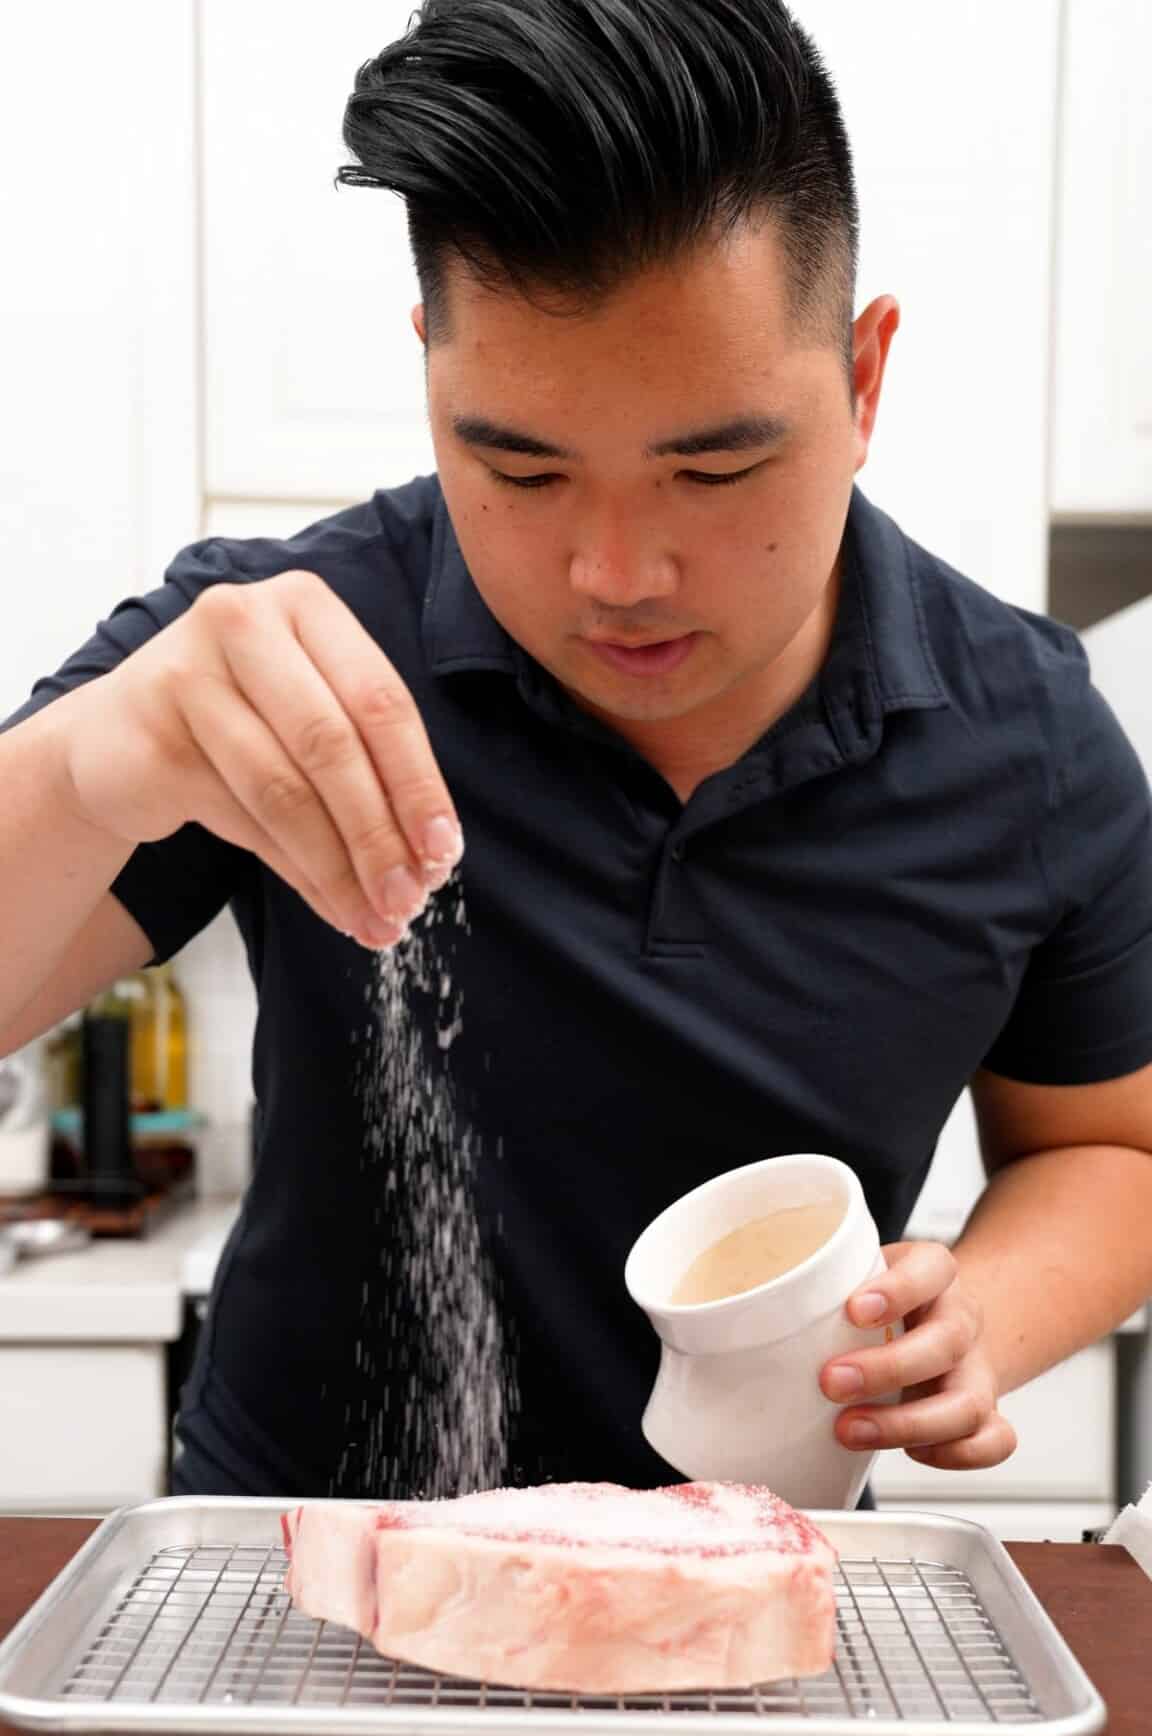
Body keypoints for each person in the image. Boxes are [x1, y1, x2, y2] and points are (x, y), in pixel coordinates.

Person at [3, 0, 1152, 1502]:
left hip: (757, 1591)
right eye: (520, 464)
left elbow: (1111, 1152)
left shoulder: (1029, 741)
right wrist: (95, 761)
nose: (618, 573)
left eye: (714, 463)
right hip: (301, 1585)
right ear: (429, 370)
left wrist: (986, 1311)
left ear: (864, 381)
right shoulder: (293, 651)